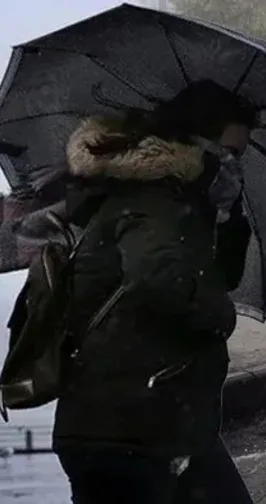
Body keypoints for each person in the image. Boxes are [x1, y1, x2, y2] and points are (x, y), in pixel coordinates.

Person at [53, 80, 254, 504]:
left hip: (153, 420)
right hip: (130, 428)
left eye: (242, 156)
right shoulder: (153, 199)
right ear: (193, 144)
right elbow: (157, 277)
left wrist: (227, 216)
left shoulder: (180, 200)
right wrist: (221, 315)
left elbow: (219, 275)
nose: (234, 166)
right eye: (228, 153)